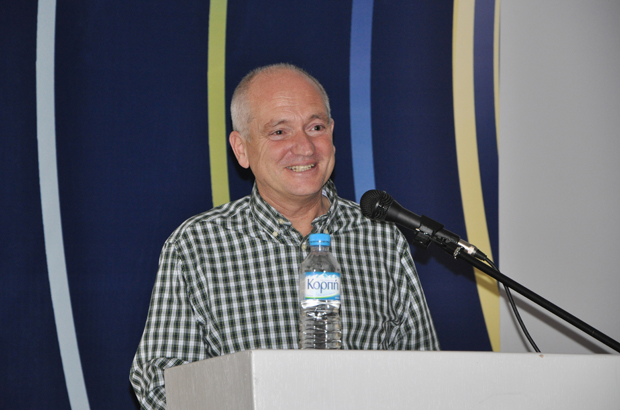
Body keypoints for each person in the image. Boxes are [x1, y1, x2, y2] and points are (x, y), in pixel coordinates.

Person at [130, 63, 439, 409]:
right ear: (241, 149)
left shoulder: (380, 239)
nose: (305, 147)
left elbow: (424, 373)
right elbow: (162, 382)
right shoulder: (197, 245)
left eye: (316, 127)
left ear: (332, 134)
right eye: (279, 132)